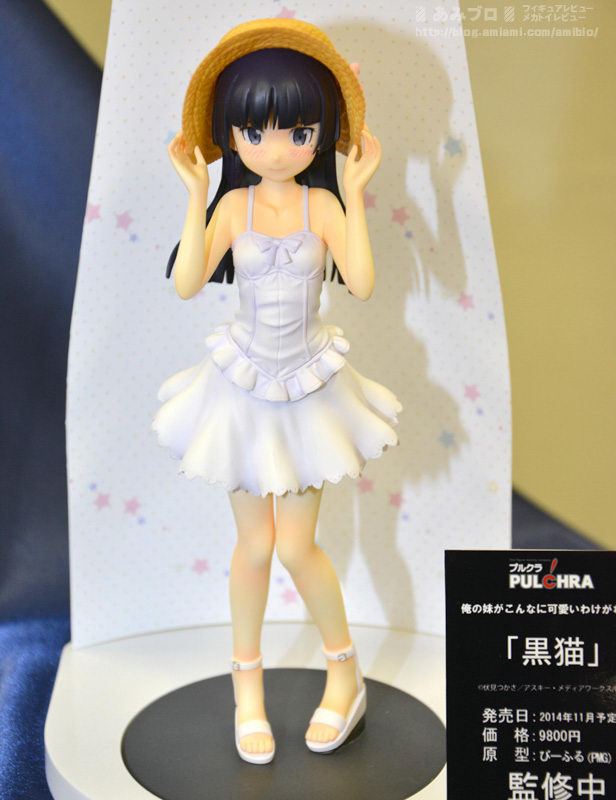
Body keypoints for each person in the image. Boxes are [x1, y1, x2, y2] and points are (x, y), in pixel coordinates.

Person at [153, 18, 402, 764]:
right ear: (231, 136)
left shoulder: (322, 206)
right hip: (242, 385)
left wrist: (354, 191)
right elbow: (187, 283)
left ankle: (344, 677)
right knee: (254, 544)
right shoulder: (233, 207)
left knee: (295, 546)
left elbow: (361, 283)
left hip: (307, 385)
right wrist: (196, 193)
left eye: (298, 133)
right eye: (254, 133)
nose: (276, 149)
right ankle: (248, 696)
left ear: (319, 134)